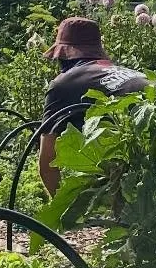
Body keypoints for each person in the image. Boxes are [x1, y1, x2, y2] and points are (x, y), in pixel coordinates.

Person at [38, 15, 148, 193]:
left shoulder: (64, 84)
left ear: (63, 56)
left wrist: (65, 214)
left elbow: (47, 164)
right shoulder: (127, 73)